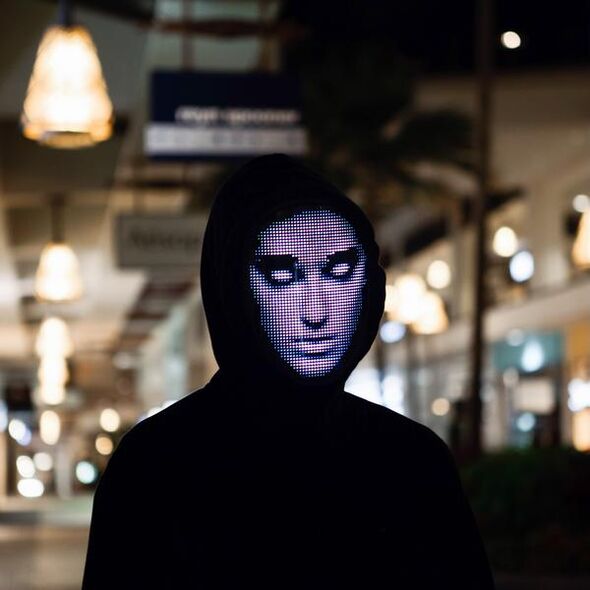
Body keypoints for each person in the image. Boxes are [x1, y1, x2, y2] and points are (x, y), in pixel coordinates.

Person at [82, 154, 495, 589]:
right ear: (231, 290)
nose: (316, 311)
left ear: (369, 285)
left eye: (339, 271)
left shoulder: (413, 464)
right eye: (282, 276)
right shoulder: (155, 472)